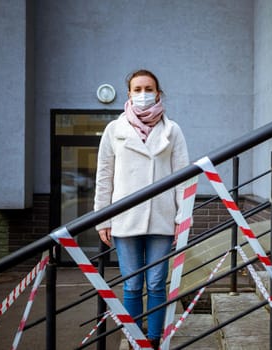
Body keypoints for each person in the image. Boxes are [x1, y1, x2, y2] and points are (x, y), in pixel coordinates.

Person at [94, 69, 189, 348]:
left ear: (158, 93)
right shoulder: (114, 129)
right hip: (125, 219)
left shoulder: (173, 130)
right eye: (137, 89)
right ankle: (135, 339)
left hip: (162, 218)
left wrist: (183, 217)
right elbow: (104, 175)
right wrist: (102, 219)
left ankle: (155, 338)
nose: (143, 94)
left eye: (148, 88)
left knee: (157, 284)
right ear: (129, 94)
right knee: (133, 284)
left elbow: (184, 177)